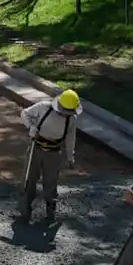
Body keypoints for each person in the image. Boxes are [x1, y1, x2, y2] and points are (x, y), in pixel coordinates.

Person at [18, 89, 81, 222]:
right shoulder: (43, 108)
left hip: (54, 152)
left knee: (51, 182)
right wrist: (30, 127)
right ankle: (25, 207)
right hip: (37, 147)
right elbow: (24, 113)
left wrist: (70, 156)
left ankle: (50, 209)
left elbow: (71, 138)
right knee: (30, 178)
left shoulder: (71, 119)